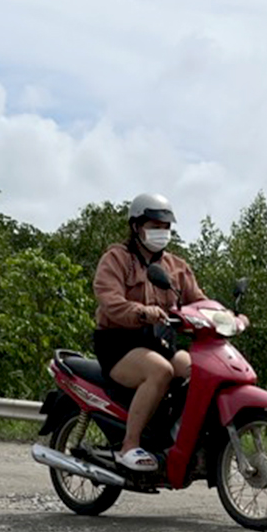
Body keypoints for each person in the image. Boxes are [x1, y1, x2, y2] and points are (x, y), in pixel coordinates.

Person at [92, 192, 203, 473]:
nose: (161, 232)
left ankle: (175, 439)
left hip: (160, 341)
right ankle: (129, 446)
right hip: (119, 343)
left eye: (166, 227)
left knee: (199, 371)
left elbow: (198, 301)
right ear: (136, 226)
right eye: (154, 226)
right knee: (160, 371)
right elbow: (110, 300)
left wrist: (227, 317)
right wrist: (141, 311)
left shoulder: (176, 267)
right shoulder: (116, 259)